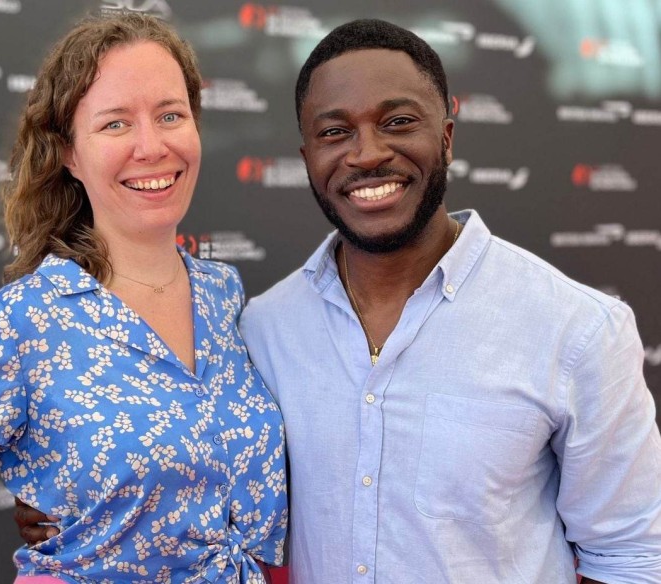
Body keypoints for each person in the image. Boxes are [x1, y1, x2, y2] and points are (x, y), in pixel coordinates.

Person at [0, 13, 286, 584]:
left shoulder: (224, 294)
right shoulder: (21, 324)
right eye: (115, 124)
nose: (151, 146)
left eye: (170, 115)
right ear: (69, 153)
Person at [236, 18, 661, 584]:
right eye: (334, 132)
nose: (367, 154)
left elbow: (632, 557)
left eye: (398, 122)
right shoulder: (264, 328)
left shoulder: (577, 328)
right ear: (307, 155)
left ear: (447, 136)